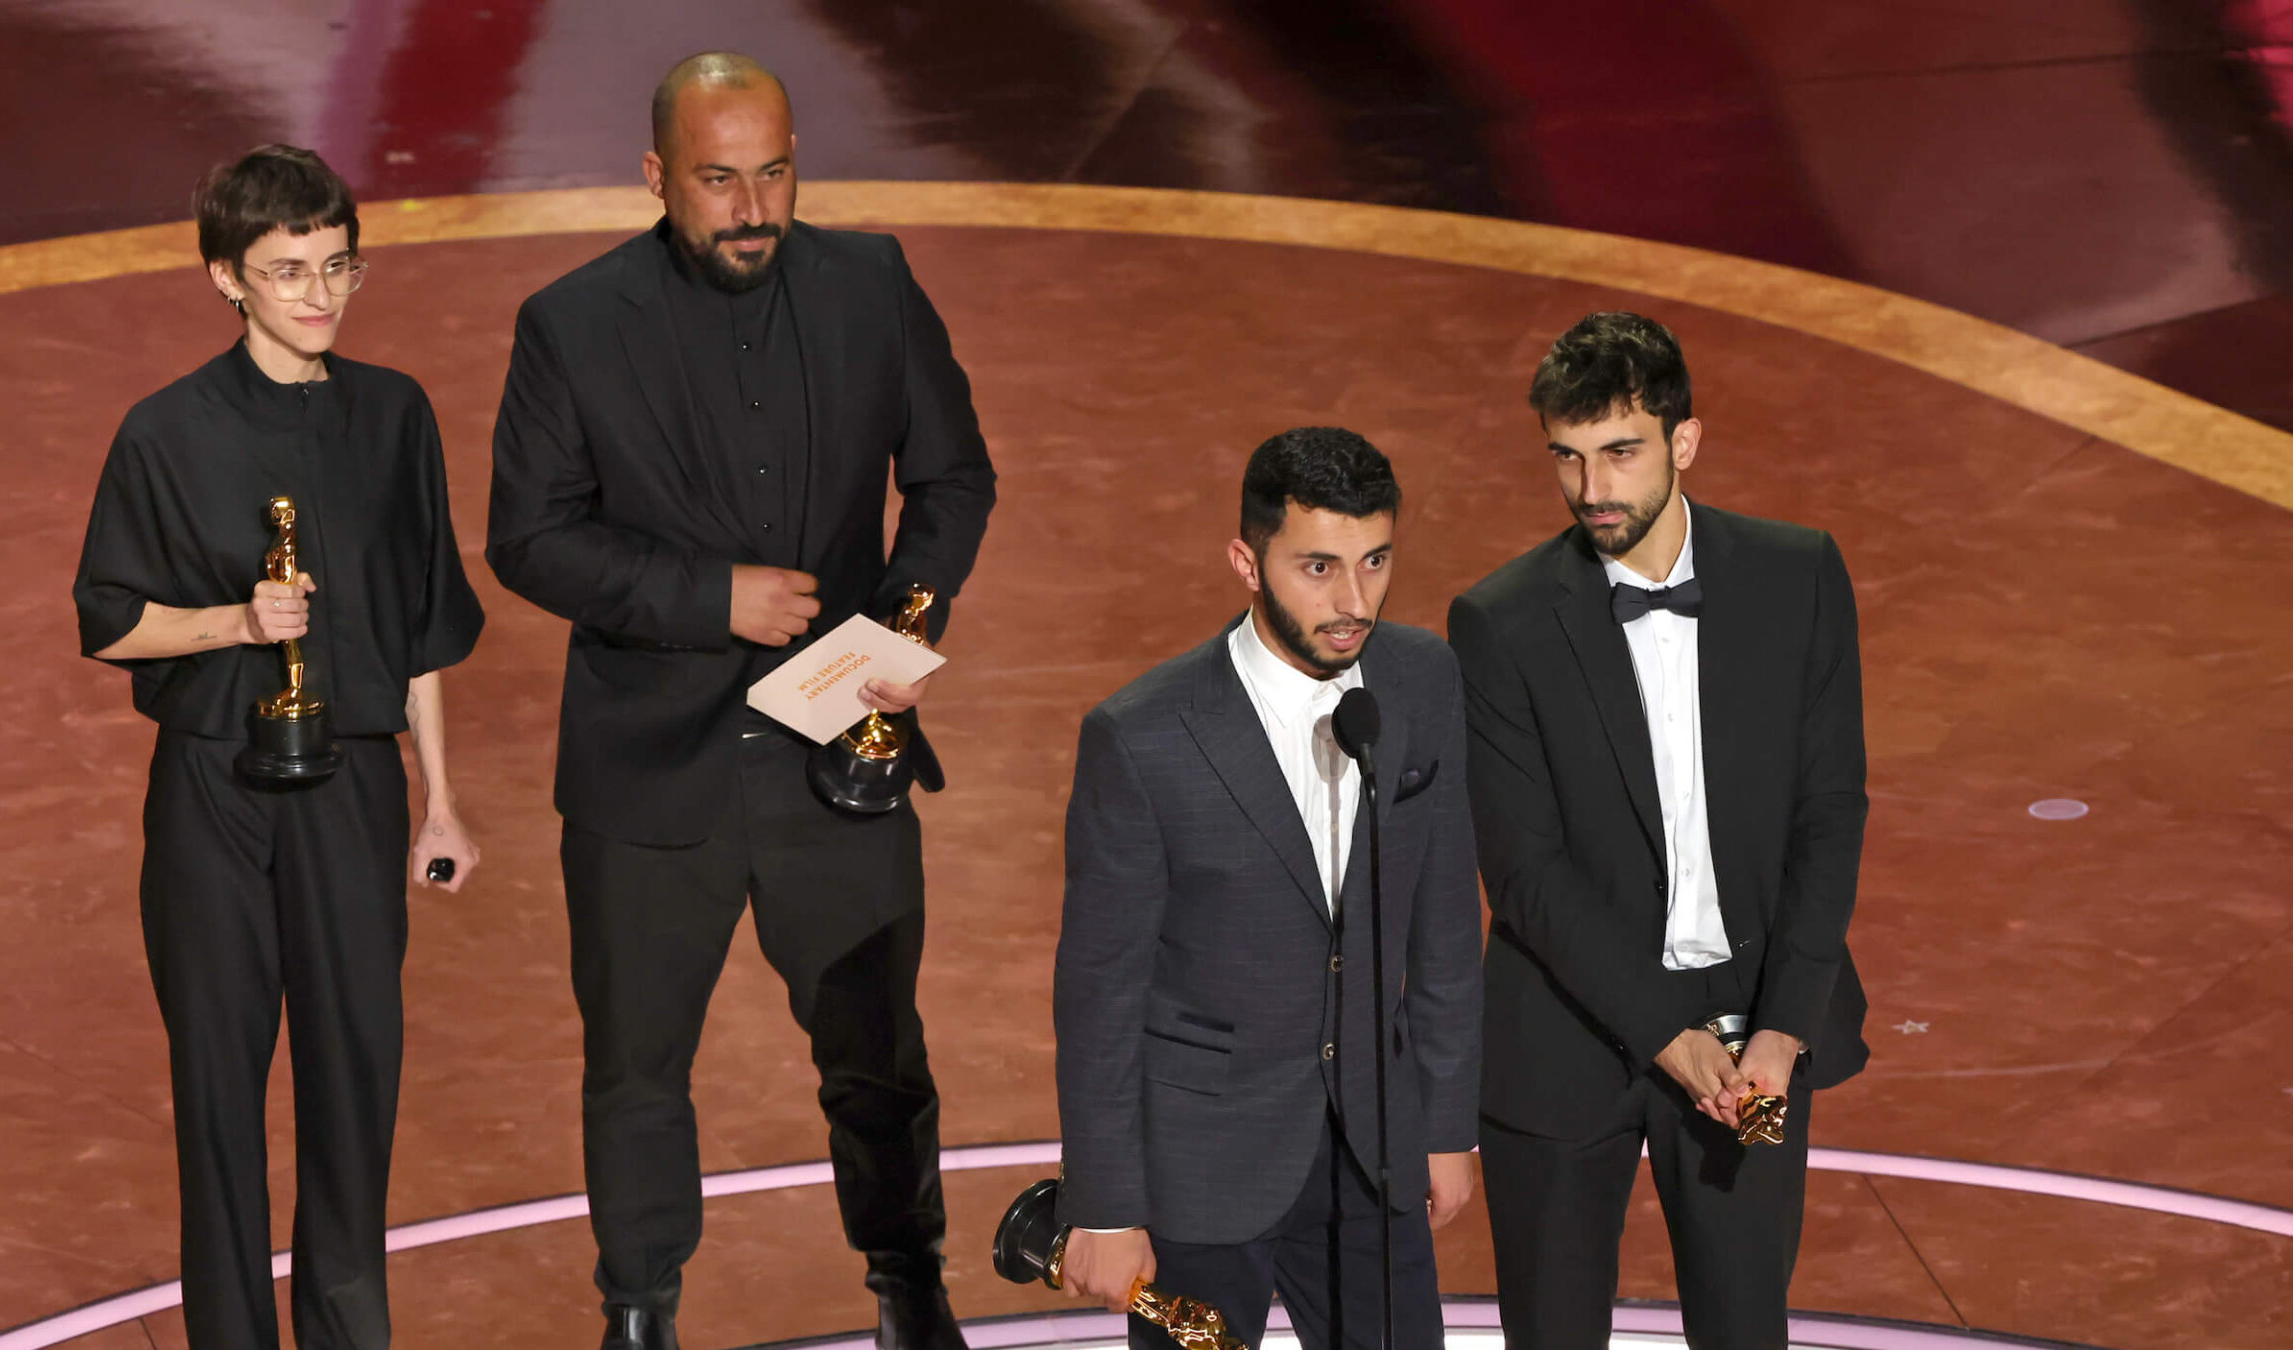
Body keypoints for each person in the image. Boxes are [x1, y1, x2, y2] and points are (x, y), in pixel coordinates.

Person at [484, 52, 997, 1350]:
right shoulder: (571, 323)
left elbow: (952, 483)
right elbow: (530, 538)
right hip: (650, 769)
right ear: (658, 177)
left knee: (879, 1052)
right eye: (719, 180)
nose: (752, 206)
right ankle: (642, 1312)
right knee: (638, 1069)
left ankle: (907, 1279)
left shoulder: (872, 283)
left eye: (772, 173)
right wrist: (708, 596)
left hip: (843, 739)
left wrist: (893, 639)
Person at [72, 144, 484, 1350]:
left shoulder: (396, 415)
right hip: (212, 794)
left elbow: (419, 630)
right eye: (286, 271)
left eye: (336, 266)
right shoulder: (166, 432)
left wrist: (442, 802)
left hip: (351, 783)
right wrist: (236, 623)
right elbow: (110, 623)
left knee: (355, 1083)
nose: (319, 295)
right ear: (224, 278)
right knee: (220, 1093)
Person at [1446, 312, 1869, 1349]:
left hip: (1753, 1036)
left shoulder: (1798, 576)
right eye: (1569, 458)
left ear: (1684, 442)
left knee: (1743, 1328)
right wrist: (1665, 1034)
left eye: (1621, 453)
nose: (1593, 490)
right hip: (1565, 1032)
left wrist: (1783, 1028)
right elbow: (1525, 870)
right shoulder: (1497, 622)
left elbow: (1830, 808)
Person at [1052, 428, 1482, 1349]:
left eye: (1375, 562)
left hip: (1372, 1151)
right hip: (1202, 1163)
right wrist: (1104, 1202)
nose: (1353, 601)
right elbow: (1100, 991)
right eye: (1318, 567)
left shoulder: (1422, 677)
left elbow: (1443, 920)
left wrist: (1446, 1125)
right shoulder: (1144, 737)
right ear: (1246, 562)